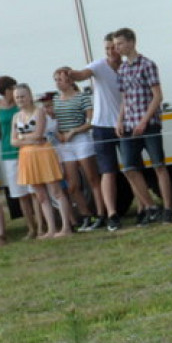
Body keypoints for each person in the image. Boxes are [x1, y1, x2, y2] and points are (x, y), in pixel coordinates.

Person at [114, 27, 172, 223]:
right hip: (130, 124)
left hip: (149, 123)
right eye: (115, 45)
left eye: (120, 43)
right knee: (129, 168)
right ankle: (150, 206)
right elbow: (124, 98)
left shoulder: (147, 64)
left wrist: (144, 120)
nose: (118, 48)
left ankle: (168, 208)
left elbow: (157, 96)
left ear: (131, 42)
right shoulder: (122, 69)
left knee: (158, 165)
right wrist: (120, 119)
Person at [67, 32, 124, 231]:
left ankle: (145, 208)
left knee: (132, 169)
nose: (110, 52)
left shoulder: (127, 68)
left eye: (113, 48)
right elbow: (83, 75)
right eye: (107, 49)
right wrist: (72, 74)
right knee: (107, 172)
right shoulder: (99, 65)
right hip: (101, 127)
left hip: (124, 125)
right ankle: (112, 214)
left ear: (121, 47)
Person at [10, 83, 75, 239]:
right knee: (40, 195)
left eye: (23, 96)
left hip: (43, 154)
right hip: (26, 157)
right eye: (17, 97)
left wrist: (22, 138)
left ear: (30, 96)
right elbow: (13, 141)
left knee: (56, 191)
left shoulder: (39, 112)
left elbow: (39, 134)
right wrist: (27, 139)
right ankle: (51, 229)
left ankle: (66, 227)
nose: (20, 99)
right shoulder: (16, 117)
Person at [52, 67, 104, 230]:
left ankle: (102, 214)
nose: (58, 83)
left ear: (70, 81)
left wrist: (74, 131)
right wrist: (59, 134)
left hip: (80, 140)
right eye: (56, 80)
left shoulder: (82, 97)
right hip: (65, 144)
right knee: (72, 184)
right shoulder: (55, 100)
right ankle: (86, 215)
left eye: (60, 79)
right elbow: (54, 121)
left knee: (92, 179)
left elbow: (90, 121)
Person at [0, 76, 36, 241]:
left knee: (33, 191)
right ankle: (31, 228)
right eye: (12, 88)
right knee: (20, 194)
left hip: (25, 150)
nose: (15, 92)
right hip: (8, 153)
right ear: (5, 90)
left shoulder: (20, 107)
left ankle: (42, 226)